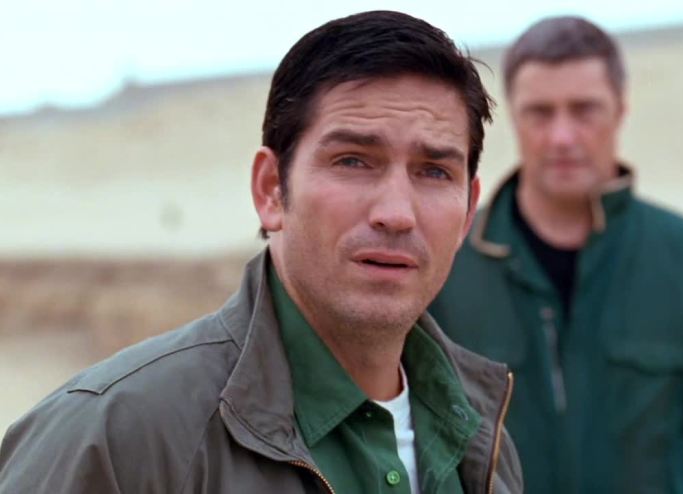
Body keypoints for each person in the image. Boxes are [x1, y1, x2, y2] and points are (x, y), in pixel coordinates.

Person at [0, 11, 523, 493]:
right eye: (353, 161)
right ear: (271, 189)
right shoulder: (114, 440)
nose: (396, 213)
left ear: (467, 211)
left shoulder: (483, 439)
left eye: (434, 171)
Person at [429, 15, 683, 493]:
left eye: (584, 110)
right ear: (513, 116)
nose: (562, 136)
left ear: (621, 109)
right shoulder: (448, 264)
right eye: (540, 112)